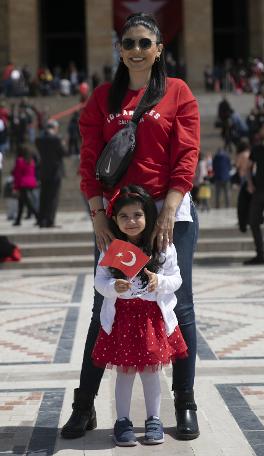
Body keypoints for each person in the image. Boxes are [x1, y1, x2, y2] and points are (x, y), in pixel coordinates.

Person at [61, 13, 200, 441]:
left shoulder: (178, 92)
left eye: (145, 43)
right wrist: (98, 215)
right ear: (120, 51)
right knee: (106, 302)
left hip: (166, 213)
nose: (136, 50)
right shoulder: (102, 97)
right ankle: (84, 407)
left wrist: (167, 212)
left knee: (178, 303)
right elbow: (89, 160)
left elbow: (187, 155)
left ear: (159, 49)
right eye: (128, 43)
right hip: (119, 219)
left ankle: (185, 402)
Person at [92, 185, 188, 445]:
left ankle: (153, 419)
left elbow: (177, 279)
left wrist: (160, 281)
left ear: (148, 216)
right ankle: (122, 421)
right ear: (114, 220)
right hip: (122, 319)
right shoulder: (111, 249)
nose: (131, 221)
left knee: (150, 373)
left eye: (137, 215)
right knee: (124, 374)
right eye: (124, 216)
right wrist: (114, 287)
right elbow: (99, 282)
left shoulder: (163, 246)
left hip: (151, 320)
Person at [35, 119, 66, 228]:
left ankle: (41, 220)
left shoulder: (39, 140)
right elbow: (64, 153)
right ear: (55, 128)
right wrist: (62, 143)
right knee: (53, 197)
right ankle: (49, 220)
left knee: (43, 196)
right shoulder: (57, 139)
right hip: (55, 172)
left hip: (44, 172)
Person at [244, 124, 264, 265]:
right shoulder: (257, 149)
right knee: (253, 221)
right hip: (259, 191)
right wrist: (250, 183)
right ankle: (260, 254)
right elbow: (248, 167)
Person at [12, 144, 39, 226]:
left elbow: (18, 175)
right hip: (31, 183)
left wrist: (15, 187)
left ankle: (39, 217)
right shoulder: (31, 161)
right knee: (21, 202)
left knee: (28, 203)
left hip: (23, 183)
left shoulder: (19, 161)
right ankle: (18, 220)